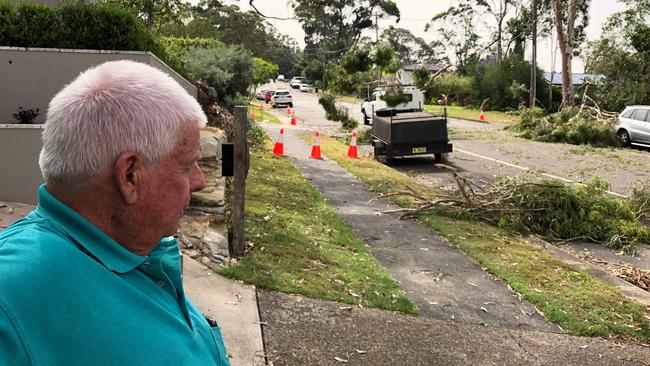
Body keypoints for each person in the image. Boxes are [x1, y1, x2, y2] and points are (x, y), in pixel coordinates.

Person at [0, 60, 230, 365]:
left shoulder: (127, 246)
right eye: (187, 166)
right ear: (130, 176)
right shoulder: (11, 303)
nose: (199, 181)